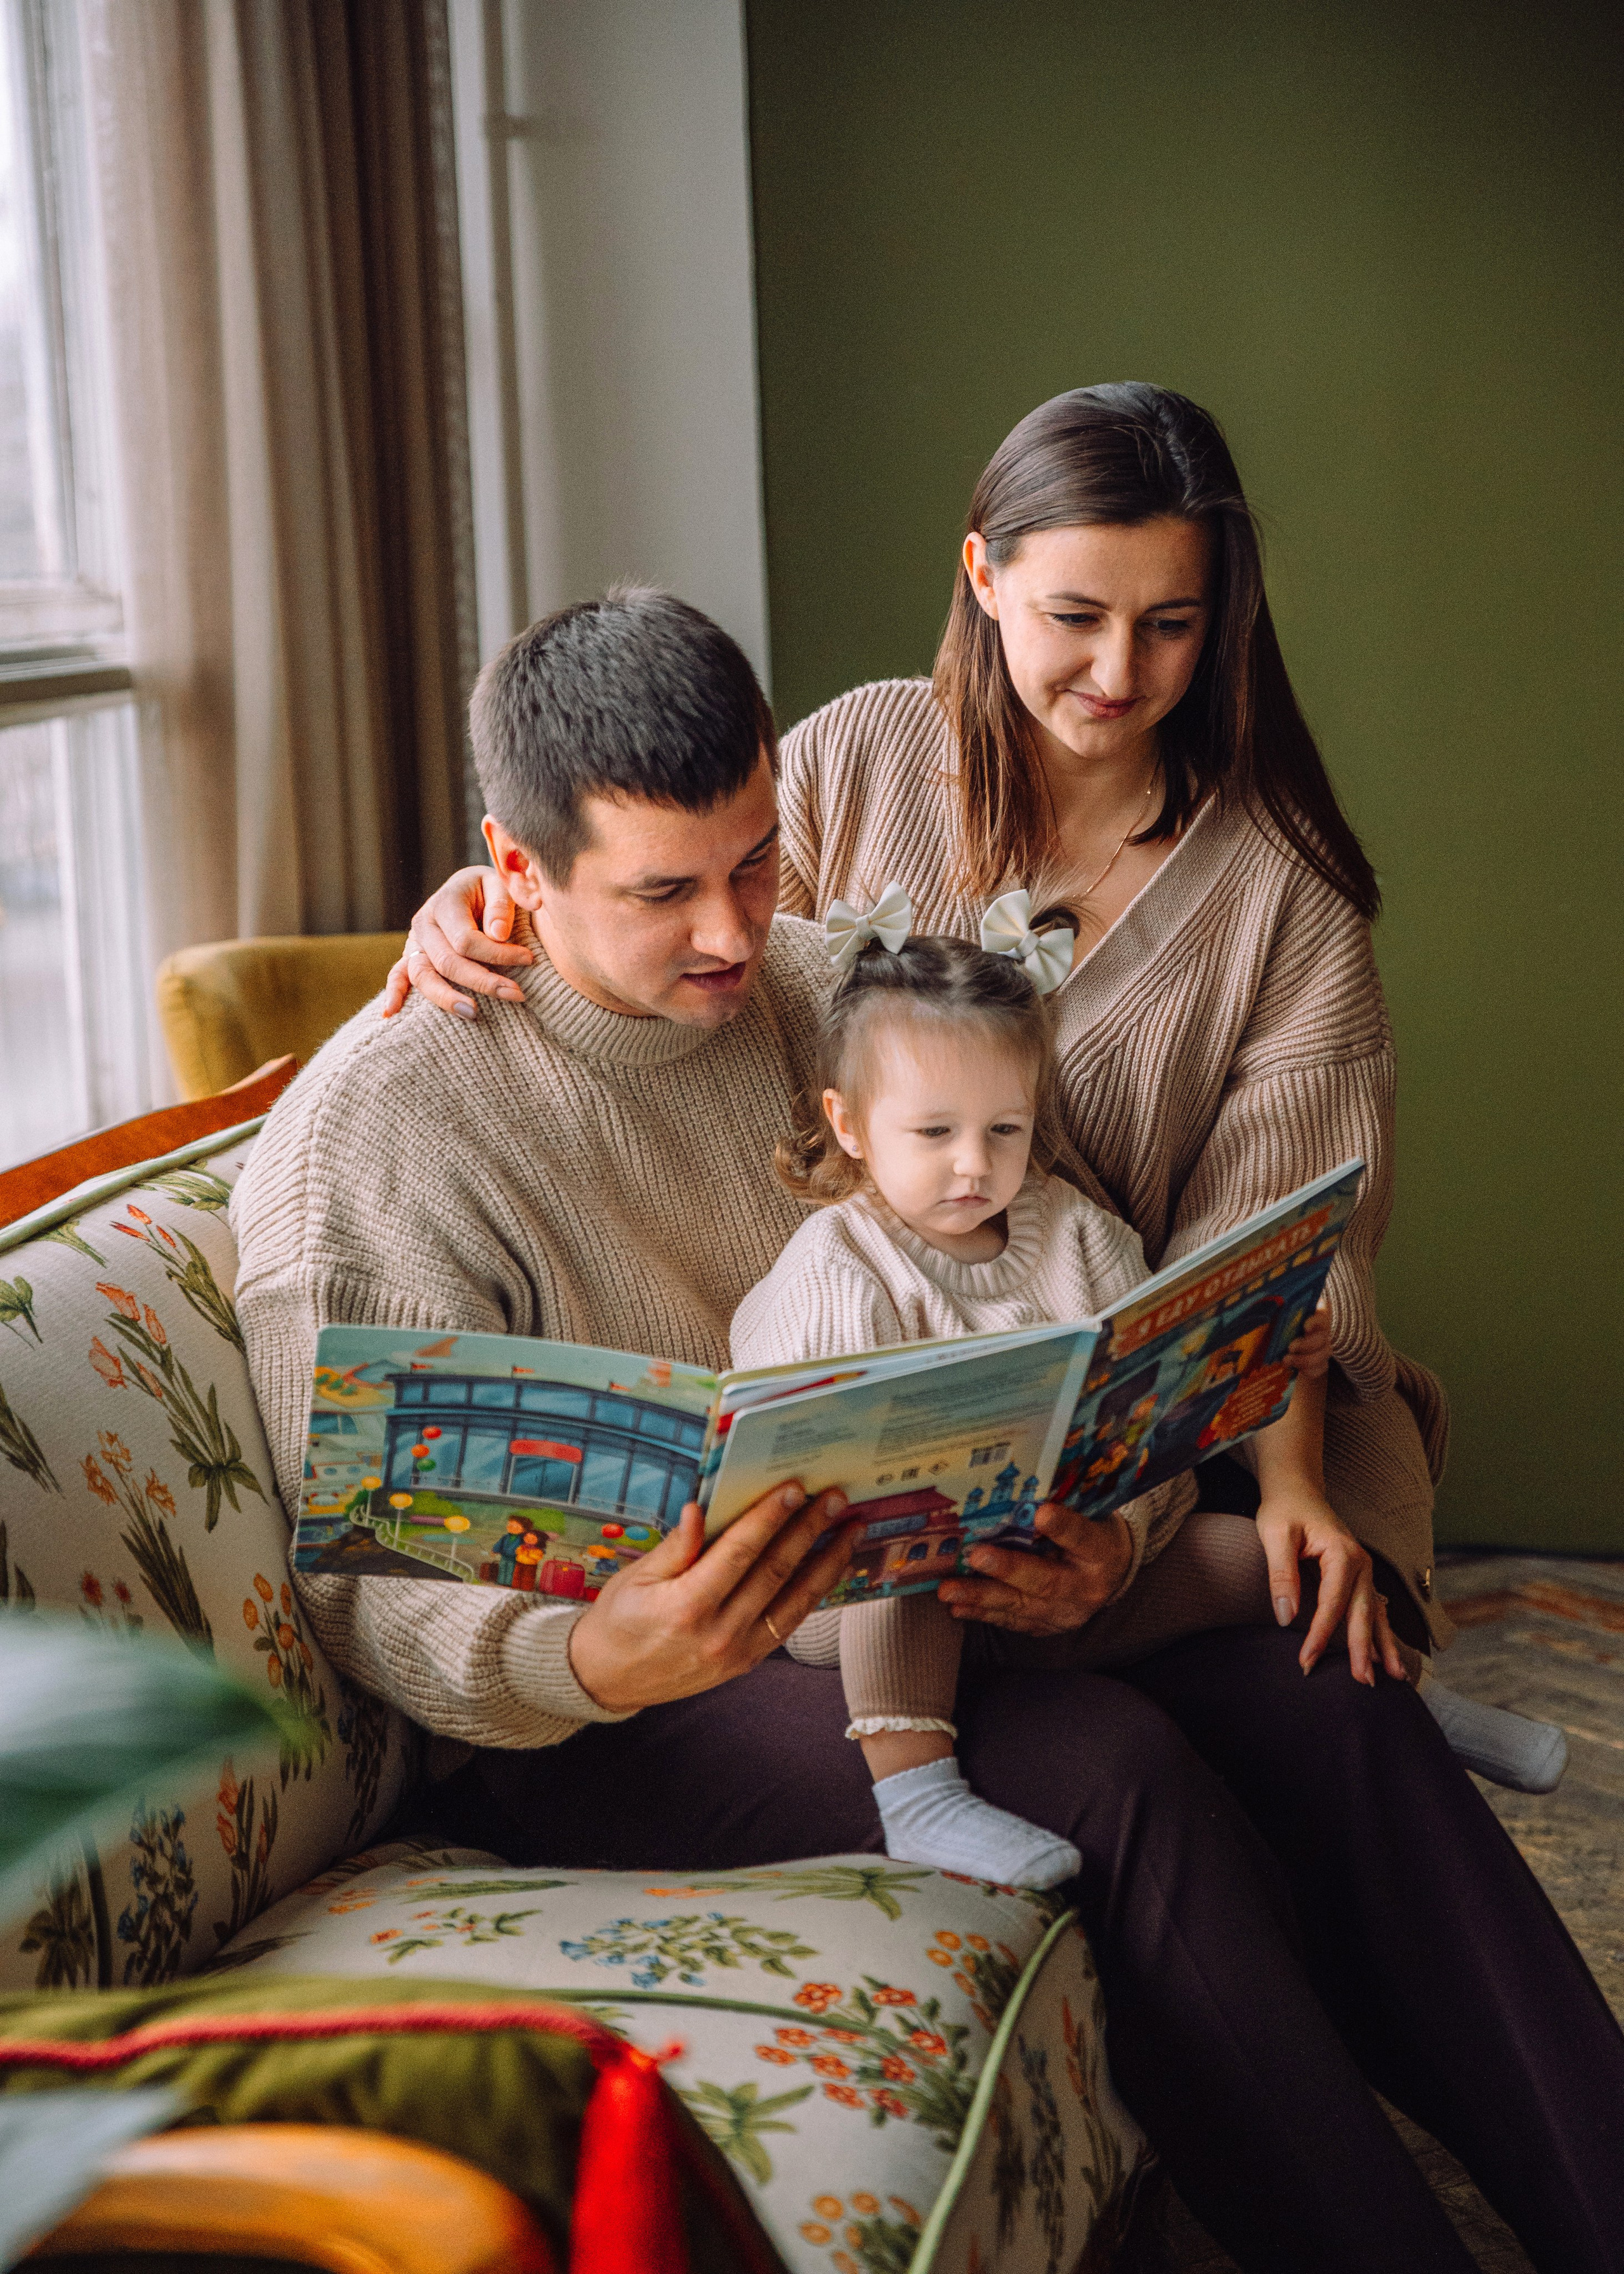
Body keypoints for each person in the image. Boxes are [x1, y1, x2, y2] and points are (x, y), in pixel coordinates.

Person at [238, 588, 1624, 2273]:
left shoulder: (832, 985)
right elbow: (368, 1586)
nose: (734, 934)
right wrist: (603, 1652)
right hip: (615, 1702)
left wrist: (1116, 1527)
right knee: (1111, 1772)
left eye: (756, 859)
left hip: (931, 1588)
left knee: (1326, 1681)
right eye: (665, 893)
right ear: (512, 871)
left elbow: (1078, 1283)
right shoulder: (379, 1137)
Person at [393, 383, 1564, 1793]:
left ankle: (1407, 1713)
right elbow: (693, 927)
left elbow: (1270, 1268)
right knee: (1118, 1726)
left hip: (1194, 1425)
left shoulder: (1283, 895)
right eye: (1074, 615)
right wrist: (492, 903)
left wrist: (1215, 1500)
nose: (1118, 670)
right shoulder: (858, 756)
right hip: (889, 1376)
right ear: (983, 576)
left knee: (1326, 1690)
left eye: (1170, 623)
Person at [732, 895, 1347, 1888]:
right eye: (935, 1131)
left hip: (1058, 1564)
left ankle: (1398, 1689)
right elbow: (798, 1470)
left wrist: (1256, 1357)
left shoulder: (1078, 1236)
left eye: (1005, 1129)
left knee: (1251, 1555)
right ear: (849, 1125)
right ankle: (917, 1795)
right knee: (909, 1562)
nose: (975, 1165)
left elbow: (1156, 1427)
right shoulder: (838, 1266)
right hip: (871, 1590)